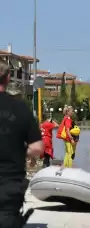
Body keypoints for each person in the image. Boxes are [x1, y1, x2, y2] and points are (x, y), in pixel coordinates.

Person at [0, 59, 44, 227]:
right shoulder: (20, 109)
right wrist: (18, 149)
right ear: (8, 77)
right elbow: (38, 148)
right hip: (9, 186)